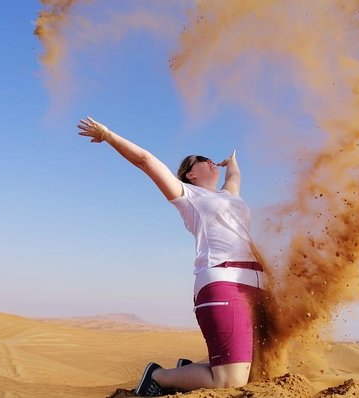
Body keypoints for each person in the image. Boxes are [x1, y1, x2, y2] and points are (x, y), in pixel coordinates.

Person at [77, 116, 265, 396]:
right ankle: (160, 376)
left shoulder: (231, 196)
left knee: (256, 362)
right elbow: (145, 160)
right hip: (222, 283)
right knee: (231, 381)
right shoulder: (187, 196)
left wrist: (232, 161)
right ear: (191, 174)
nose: (210, 160)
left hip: (254, 285)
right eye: (202, 159)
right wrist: (108, 135)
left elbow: (235, 177)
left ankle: (186, 369)